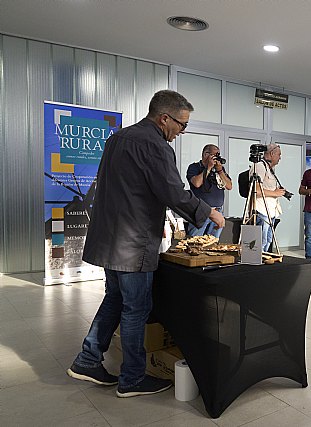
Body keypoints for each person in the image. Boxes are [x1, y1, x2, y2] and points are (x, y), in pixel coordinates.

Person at [67, 90, 225, 398]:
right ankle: (132, 378)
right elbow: (172, 192)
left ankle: (88, 359)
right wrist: (210, 213)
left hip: (111, 237)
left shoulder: (119, 138)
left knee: (115, 298)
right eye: (182, 124)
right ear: (164, 118)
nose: (182, 131)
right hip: (132, 241)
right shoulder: (155, 144)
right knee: (136, 308)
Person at [186, 144, 232, 238]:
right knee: (195, 241)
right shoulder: (194, 167)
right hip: (200, 210)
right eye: (215, 155)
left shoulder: (219, 169)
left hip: (218, 211)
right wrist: (208, 168)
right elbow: (197, 183)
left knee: (213, 243)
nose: (217, 158)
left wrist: (220, 171)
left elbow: (229, 186)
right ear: (206, 154)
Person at [252, 143, 287, 252]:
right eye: (279, 155)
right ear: (272, 154)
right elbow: (256, 190)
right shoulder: (259, 167)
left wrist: (278, 191)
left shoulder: (269, 168)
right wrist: (275, 193)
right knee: (262, 242)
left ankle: (263, 261)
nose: (280, 158)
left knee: (267, 241)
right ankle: (259, 264)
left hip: (270, 211)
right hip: (262, 211)